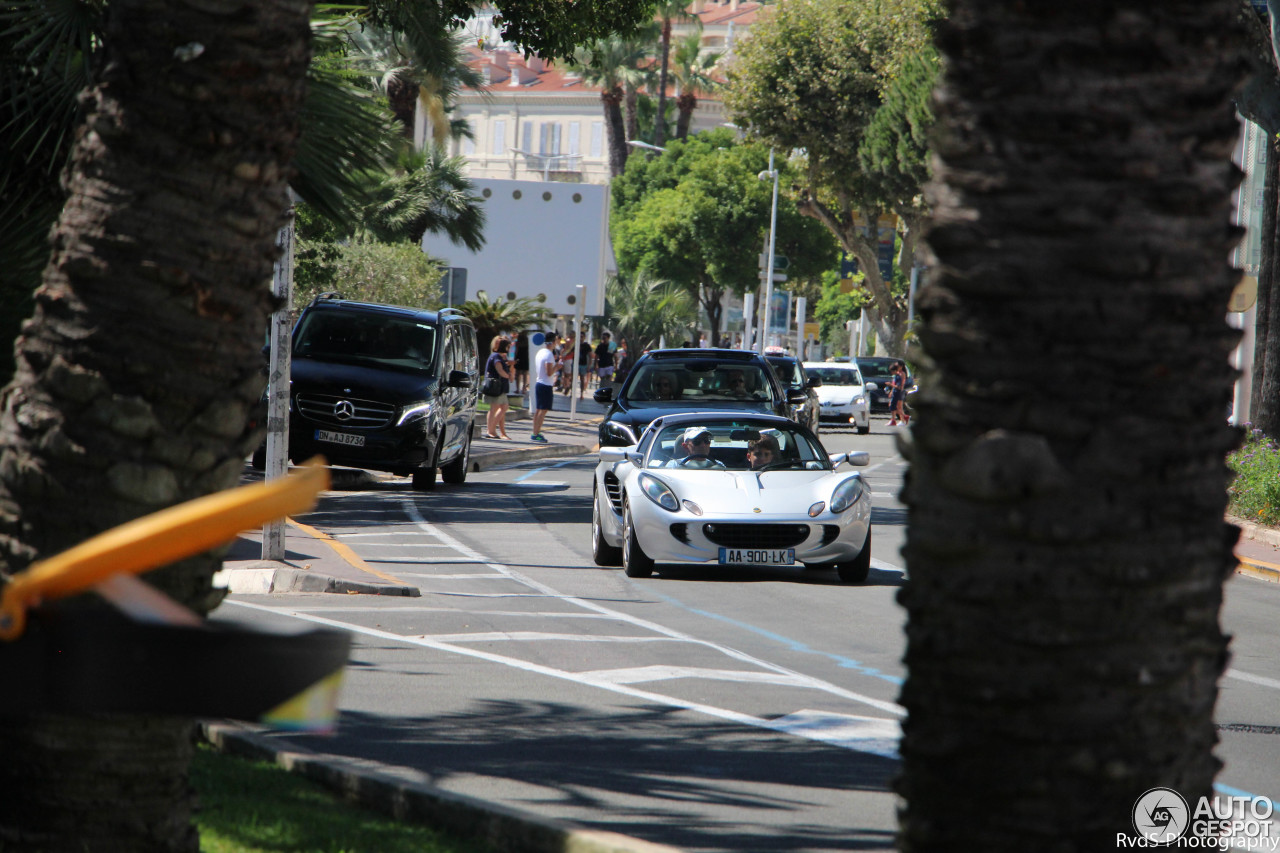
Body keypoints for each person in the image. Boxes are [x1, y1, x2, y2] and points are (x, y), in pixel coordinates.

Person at [530, 332, 560, 442]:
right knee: (542, 411)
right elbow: (549, 372)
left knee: (539, 410)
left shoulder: (541, 352)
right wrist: (557, 366)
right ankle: (536, 433)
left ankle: (535, 432)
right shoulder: (548, 355)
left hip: (540, 383)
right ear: (553, 341)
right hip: (545, 384)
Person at [483, 335, 513, 440]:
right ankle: (490, 430)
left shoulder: (498, 356)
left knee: (500, 407)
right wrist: (508, 375)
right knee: (498, 407)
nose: (509, 349)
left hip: (499, 387)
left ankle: (493, 430)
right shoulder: (496, 357)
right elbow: (499, 370)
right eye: (508, 347)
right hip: (495, 387)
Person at [888, 361, 909, 427]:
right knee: (895, 406)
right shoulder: (897, 374)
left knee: (898, 406)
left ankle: (903, 418)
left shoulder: (902, 374)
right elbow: (894, 383)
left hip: (899, 391)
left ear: (901, 366)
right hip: (895, 390)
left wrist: (892, 385)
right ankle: (896, 419)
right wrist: (891, 391)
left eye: (898, 366)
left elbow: (900, 384)